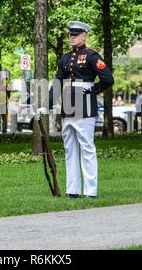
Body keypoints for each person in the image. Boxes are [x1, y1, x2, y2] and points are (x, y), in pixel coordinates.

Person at [39, 20, 114, 199]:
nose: (72, 37)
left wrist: (93, 90)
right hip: (68, 106)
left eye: (76, 34)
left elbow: (108, 79)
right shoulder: (65, 58)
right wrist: (46, 104)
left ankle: (90, 190)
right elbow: (57, 82)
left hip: (85, 106)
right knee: (70, 149)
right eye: (71, 34)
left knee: (87, 148)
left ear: (84, 35)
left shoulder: (92, 56)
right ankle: (72, 189)